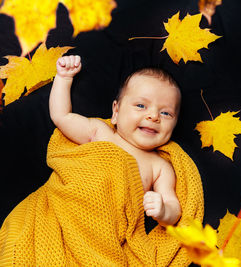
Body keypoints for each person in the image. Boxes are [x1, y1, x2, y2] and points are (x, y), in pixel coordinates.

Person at [50, 55, 182, 226]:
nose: (154, 116)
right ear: (116, 112)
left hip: (105, 230)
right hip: (64, 209)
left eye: (166, 113)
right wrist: (64, 78)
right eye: (141, 106)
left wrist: (163, 211)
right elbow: (62, 116)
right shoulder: (99, 132)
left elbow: (174, 207)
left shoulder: (159, 167)